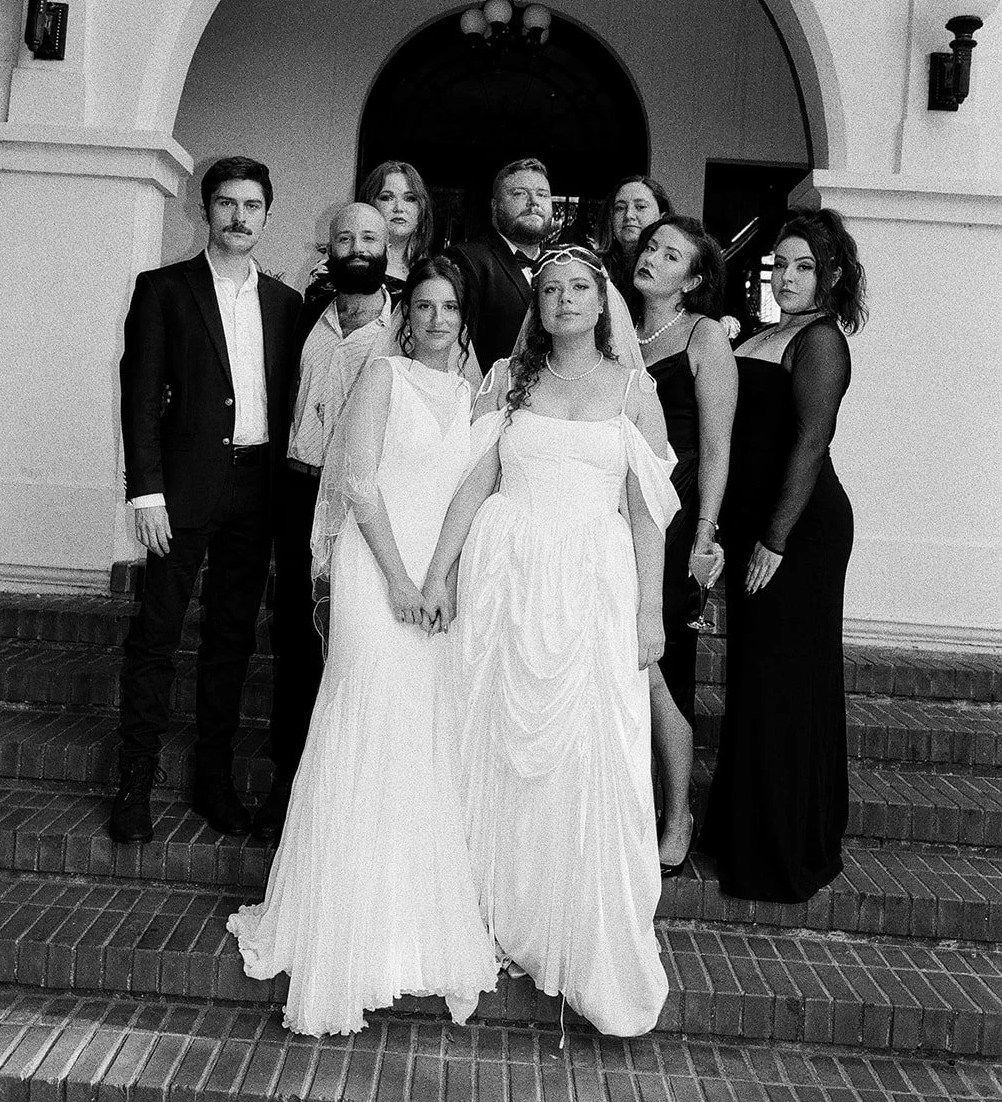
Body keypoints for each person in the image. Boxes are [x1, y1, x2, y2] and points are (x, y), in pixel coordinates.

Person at [228, 257, 496, 1036]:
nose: (437, 318)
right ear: (404, 315)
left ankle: (405, 921)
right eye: (424, 306)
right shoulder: (383, 375)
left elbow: (469, 497)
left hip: (431, 578)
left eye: (450, 307)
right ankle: (336, 922)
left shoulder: (479, 402)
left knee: (418, 735)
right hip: (373, 569)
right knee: (362, 721)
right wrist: (401, 582)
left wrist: (439, 579)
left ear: (464, 318)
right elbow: (356, 484)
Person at [421, 245, 680, 1038]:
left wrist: (649, 614)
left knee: (586, 748)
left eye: (580, 288)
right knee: (495, 741)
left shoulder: (636, 390)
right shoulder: (508, 380)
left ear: (603, 302)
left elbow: (644, 512)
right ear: (536, 303)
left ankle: (575, 923)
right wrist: (437, 574)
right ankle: (491, 904)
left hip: (595, 591)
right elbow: (469, 484)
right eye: (551, 289)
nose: (566, 299)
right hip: (507, 585)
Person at [109, 157, 302, 844]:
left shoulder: (286, 304)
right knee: (155, 634)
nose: (239, 216)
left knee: (229, 642)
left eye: (252, 204)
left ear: (267, 215)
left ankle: (212, 782)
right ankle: (134, 780)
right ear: (205, 209)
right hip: (181, 490)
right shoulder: (163, 289)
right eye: (226, 203)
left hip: (256, 490)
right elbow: (139, 397)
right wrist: (146, 491)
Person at [702, 208, 867, 902]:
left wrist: (773, 538)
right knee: (757, 681)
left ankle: (781, 851)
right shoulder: (770, 331)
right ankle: (744, 831)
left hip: (798, 534)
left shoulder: (822, 340)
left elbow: (809, 441)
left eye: (804, 266)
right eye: (783, 264)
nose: (790, 276)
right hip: (758, 529)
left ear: (829, 275)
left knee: (783, 686)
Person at [260, 201, 396, 842]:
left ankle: (346, 800)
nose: (359, 246)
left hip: (363, 508)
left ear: (391, 242)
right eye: (347, 237)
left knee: (352, 644)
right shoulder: (303, 314)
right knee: (295, 639)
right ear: (330, 247)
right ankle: (288, 786)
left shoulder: (408, 328)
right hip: (295, 491)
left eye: (371, 235)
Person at [631, 216, 737, 875]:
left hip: (675, 524)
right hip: (611, 519)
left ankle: (677, 812)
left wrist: (705, 536)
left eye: (670, 255)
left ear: (693, 279)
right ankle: (628, 804)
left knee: (660, 667)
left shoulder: (702, 338)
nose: (652, 257)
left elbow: (719, 447)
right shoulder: (614, 327)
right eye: (650, 246)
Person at [448, 159, 554, 371]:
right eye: (519, 193)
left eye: (542, 194)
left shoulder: (563, 263)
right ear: (495, 207)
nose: (533, 202)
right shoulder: (466, 260)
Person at [595, 175, 673, 317]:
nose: (629, 215)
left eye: (640, 207)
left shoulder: (676, 269)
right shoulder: (595, 268)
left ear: (662, 217)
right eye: (620, 208)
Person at [358, 160, 435, 293]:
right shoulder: (340, 268)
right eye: (387, 198)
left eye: (410, 199)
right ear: (369, 204)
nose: (399, 208)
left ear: (421, 209)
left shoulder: (433, 273)